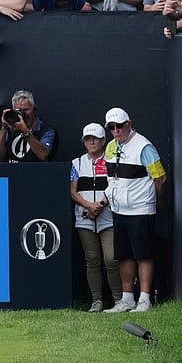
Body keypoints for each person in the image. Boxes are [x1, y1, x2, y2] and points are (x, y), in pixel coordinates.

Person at [101, 107, 165, 314]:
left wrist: (155, 202)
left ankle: (145, 299)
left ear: (129, 124)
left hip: (140, 210)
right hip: (119, 211)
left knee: (143, 254)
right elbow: (112, 178)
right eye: (112, 127)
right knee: (124, 255)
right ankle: (127, 300)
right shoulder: (110, 147)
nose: (116, 130)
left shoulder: (144, 146)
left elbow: (160, 178)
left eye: (120, 126)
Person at [70, 123, 120, 313]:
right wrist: (90, 206)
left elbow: (115, 185)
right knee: (92, 259)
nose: (91, 142)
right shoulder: (77, 163)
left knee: (112, 258)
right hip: (84, 217)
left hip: (107, 216)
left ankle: (118, 300)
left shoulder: (111, 160)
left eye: (95, 138)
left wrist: (99, 206)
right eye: (87, 138)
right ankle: (96, 301)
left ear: (103, 140)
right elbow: (73, 192)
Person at [0, 89, 55, 163]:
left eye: (26, 110)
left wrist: (25, 131)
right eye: (18, 110)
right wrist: (4, 127)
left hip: (35, 172)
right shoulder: (11, 128)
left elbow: (43, 155)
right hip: (12, 172)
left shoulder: (45, 130)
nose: (23, 114)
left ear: (34, 108)